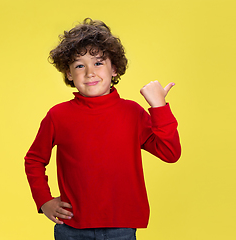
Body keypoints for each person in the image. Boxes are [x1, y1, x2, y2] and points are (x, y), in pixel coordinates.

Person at [24, 18, 181, 240]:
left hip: (122, 226)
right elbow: (34, 159)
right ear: (69, 73)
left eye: (98, 63)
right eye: (79, 65)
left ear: (114, 69)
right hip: (71, 227)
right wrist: (44, 201)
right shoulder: (58, 116)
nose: (89, 72)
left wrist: (159, 107)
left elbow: (170, 153)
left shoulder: (132, 113)